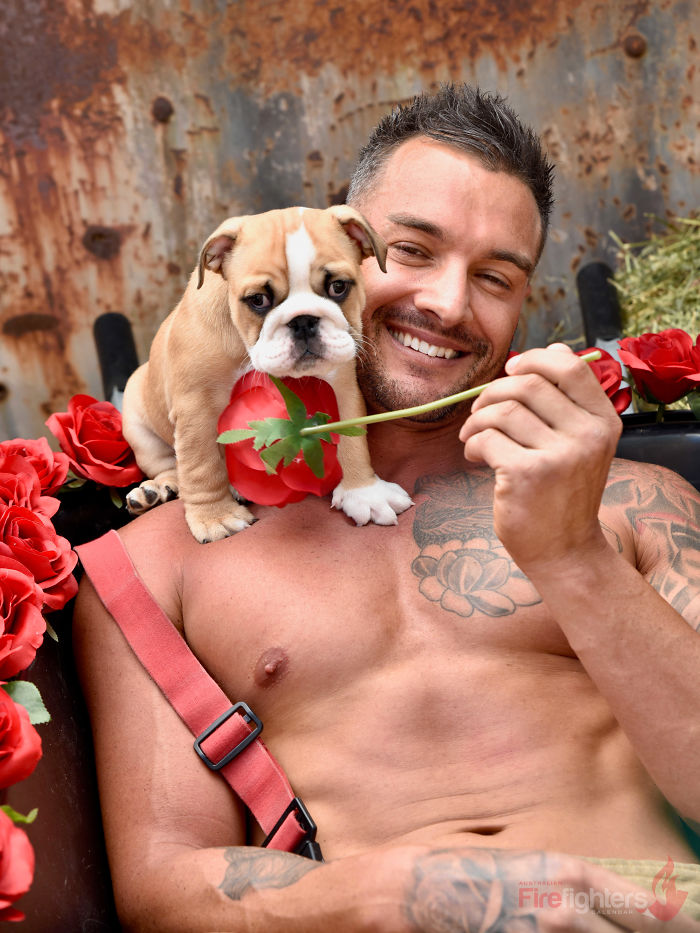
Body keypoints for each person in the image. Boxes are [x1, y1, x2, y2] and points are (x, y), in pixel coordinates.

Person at [73, 84, 700, 931]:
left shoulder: (635, 503)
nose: (447, 303)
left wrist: (574, 556)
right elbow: (162, 887)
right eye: (410, 251)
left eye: (495, 277)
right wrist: (401, 892)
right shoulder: (160, 560)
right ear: (338, 246)